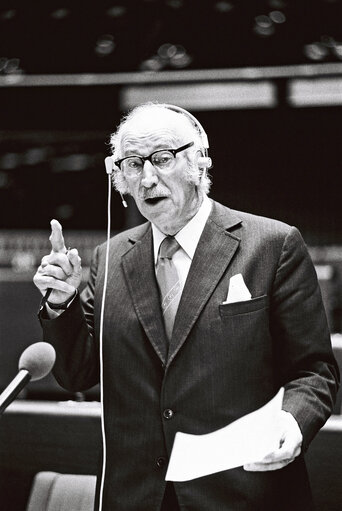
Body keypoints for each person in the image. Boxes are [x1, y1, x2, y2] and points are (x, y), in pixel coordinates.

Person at [33, 103, 339, 511]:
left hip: (244, 492)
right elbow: (77, 374)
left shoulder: (272, 245)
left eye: (162, 159)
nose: (147, 178)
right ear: (118, 176)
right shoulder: (110, 257)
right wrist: (62, 302)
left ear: (198, 162)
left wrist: (292, 422)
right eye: (132, 164)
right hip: (139, 496)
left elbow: (313, 371)